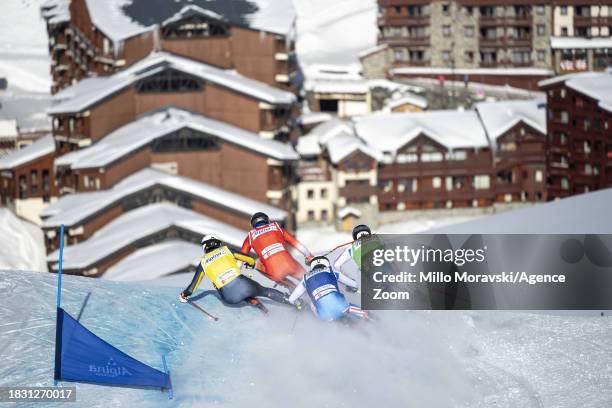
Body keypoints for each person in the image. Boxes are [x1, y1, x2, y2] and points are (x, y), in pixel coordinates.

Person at [179, 235, 295, 309]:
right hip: (243, 284)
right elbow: (249, 259)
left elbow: (192, 287)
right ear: (218, 243)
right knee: (264, 291)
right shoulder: (226, 250)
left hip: (229, 297)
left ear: (205, 247)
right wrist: (251, 264)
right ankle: (295, 303)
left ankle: (252, 301)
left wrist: (184, 295)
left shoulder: (203, 263)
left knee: (239, 293)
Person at [240, 212, 314, 288]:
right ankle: (312, 283)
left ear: (253, 224)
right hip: (291, 266)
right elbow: (296, 244)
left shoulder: (250, 237)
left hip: (275, 272)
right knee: (308, 279)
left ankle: (290, 286)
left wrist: (237, 273)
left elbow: (240, 257)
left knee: (259, 263)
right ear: (267, 220)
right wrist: (308, 255)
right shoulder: (277, 228)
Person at [288, 256, 368, 322]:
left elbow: (291, 299)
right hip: (341, 306)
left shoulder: (305, 278)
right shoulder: (330, 270)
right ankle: (370, 319)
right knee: (352, 308)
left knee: (312, 304)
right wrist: (352, 287)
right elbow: (353, 284)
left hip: (324, 316)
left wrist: (299, 304)